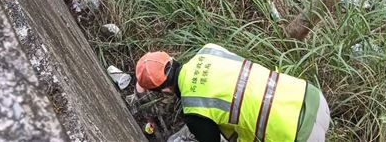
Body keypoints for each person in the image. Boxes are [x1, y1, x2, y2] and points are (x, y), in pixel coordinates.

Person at [135, 43, 330, 142]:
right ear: (172, 58)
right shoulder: (209, 50)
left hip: (296, 135)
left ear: (166, 90)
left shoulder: (193, 109)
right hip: (311, 97)